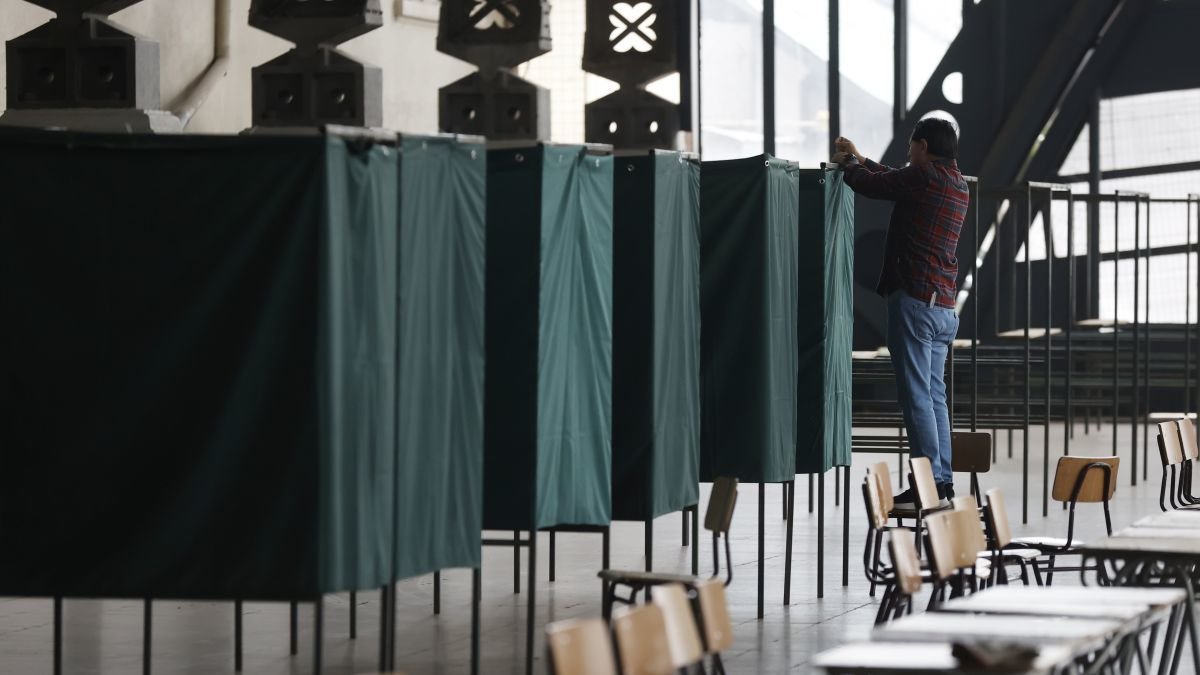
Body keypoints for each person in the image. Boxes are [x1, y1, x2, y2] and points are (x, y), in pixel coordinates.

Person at [832, 118, 969, 503]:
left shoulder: (924, 178)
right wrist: (860, 157)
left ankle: (929, 484)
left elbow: (874, 185)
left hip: (914, 302)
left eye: (911, 147)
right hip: (942, 306)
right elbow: (895, 178)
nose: (908, 154)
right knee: (935, 396)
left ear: (923, 146)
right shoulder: (956, 184)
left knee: (915, 397)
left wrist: (850, 166)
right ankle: (941, 481)